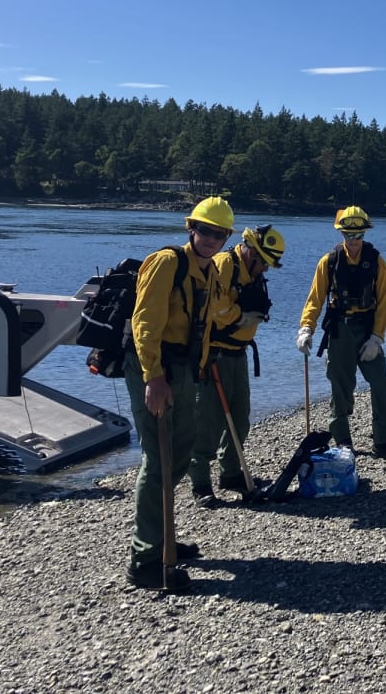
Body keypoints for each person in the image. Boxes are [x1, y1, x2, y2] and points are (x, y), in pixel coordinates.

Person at [122, 195, 234, 591]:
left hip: (185, 371)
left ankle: (165, 538)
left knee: (180, 453)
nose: (210, 239)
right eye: (204, 230)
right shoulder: (167, 262)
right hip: (154, 369)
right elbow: (144, 323)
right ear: (192, 229)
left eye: (218, 234)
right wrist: (153, 378)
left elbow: (209, 319)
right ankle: (146, 559)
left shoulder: (212, 272)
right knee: (158, 458)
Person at [296, 206, 386, 460]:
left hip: (367, 329)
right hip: (339, 331)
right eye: (348, 235)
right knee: (339, 387)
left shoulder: (378, 263)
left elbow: (384, 304)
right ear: (341, 234)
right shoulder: (329, 261)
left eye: (358, 235)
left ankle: (383, 441)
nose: (353, 241)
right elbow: (315, 299)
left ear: (365, 233)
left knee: (380, 385)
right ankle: (344, 441)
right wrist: (306, 328)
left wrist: (377, 338)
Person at [197, 224, 286, 493]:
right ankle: (201, 484)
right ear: (251, 253)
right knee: (208, 423)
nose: (267, 269)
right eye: (265, 262)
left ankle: (231, 474)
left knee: (240, 418)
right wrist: (240, 317)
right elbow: (212, 306)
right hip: (214, 355)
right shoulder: (224, 265)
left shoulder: (252, 273)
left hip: (238, 354)